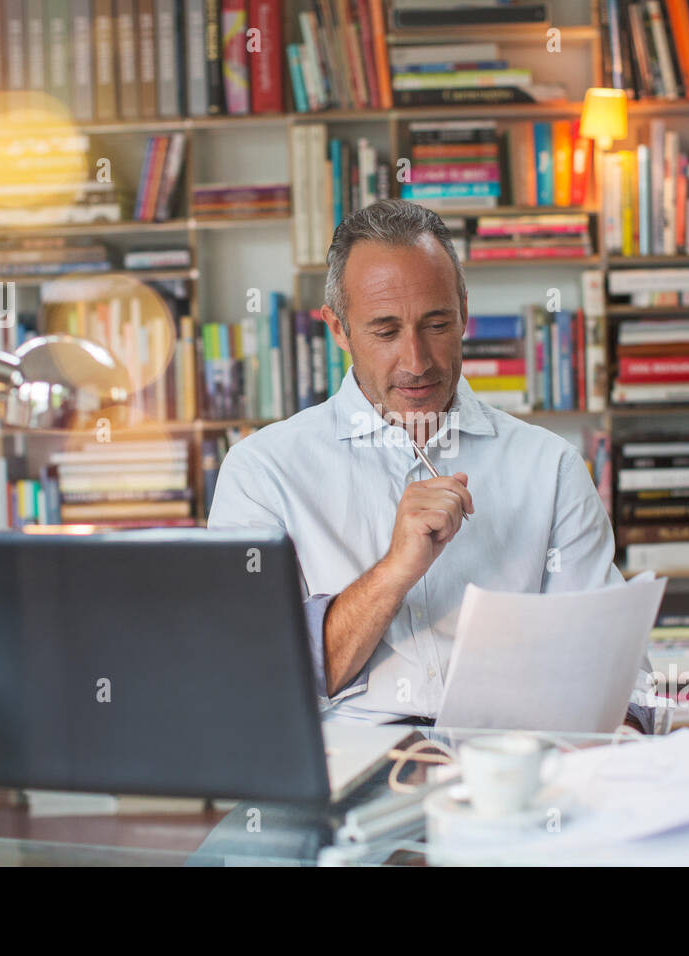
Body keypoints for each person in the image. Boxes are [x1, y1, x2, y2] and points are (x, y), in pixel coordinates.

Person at [208, 199, 662, 734]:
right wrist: (395, 570)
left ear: (464, 311)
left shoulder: (552, 467)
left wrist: (614, 749)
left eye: (437, 323)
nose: (417, 361)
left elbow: (621, 676)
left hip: (513, 771)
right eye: (384, 331)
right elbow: (254, 679)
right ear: (337, 329)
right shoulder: (261, 472)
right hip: (345, 773)